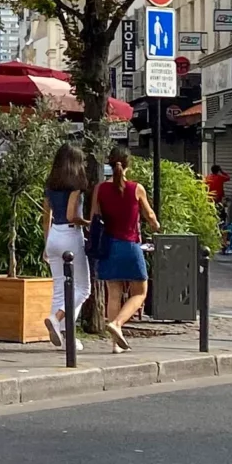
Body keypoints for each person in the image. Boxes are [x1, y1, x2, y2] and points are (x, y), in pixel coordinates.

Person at [92, 144, 160, 351]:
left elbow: (95, 215)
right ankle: (117, 323)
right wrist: (156, 225)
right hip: (130, 246)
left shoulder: (100, 188)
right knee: (140, 292)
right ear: (128, 164)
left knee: (114, 293)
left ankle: (115, 345)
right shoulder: (136, 188)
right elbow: (150, 216)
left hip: (108, 246)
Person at [42, 141, 91, 345]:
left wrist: (46, 244)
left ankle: (61, 336)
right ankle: (59, 319)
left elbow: (46, 216)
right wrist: (87, 222)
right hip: (71, 235)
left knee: (59, 288)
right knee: (83, 288)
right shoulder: (76, 185)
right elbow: (72, 215)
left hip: (53, 234)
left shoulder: (50, 184)